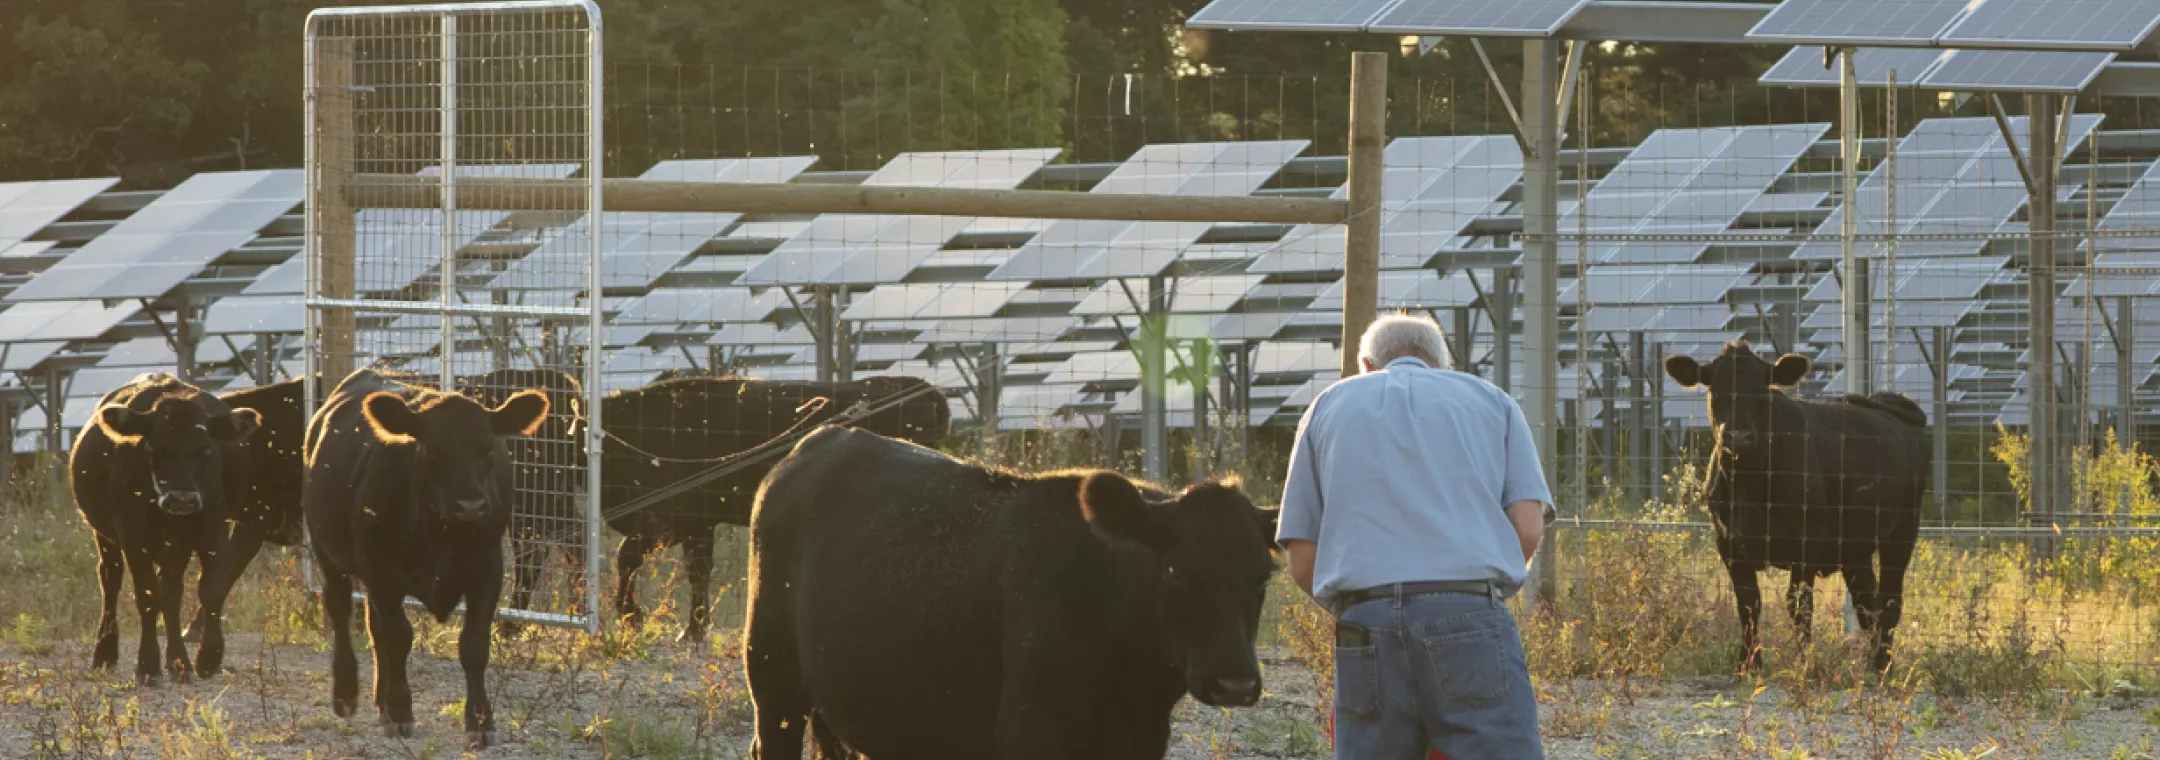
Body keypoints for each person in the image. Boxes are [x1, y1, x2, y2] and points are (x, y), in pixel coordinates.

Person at [1278, 313, 1553, 759]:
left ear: (1366, 365)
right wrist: (1476, 596)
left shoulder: (1327, 407)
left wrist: (1362, 607)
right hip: (1469, 613)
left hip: (1365, 619)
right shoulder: (1493, 401)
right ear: (1442, 363)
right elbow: (1527, 526)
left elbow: (1302, 559)